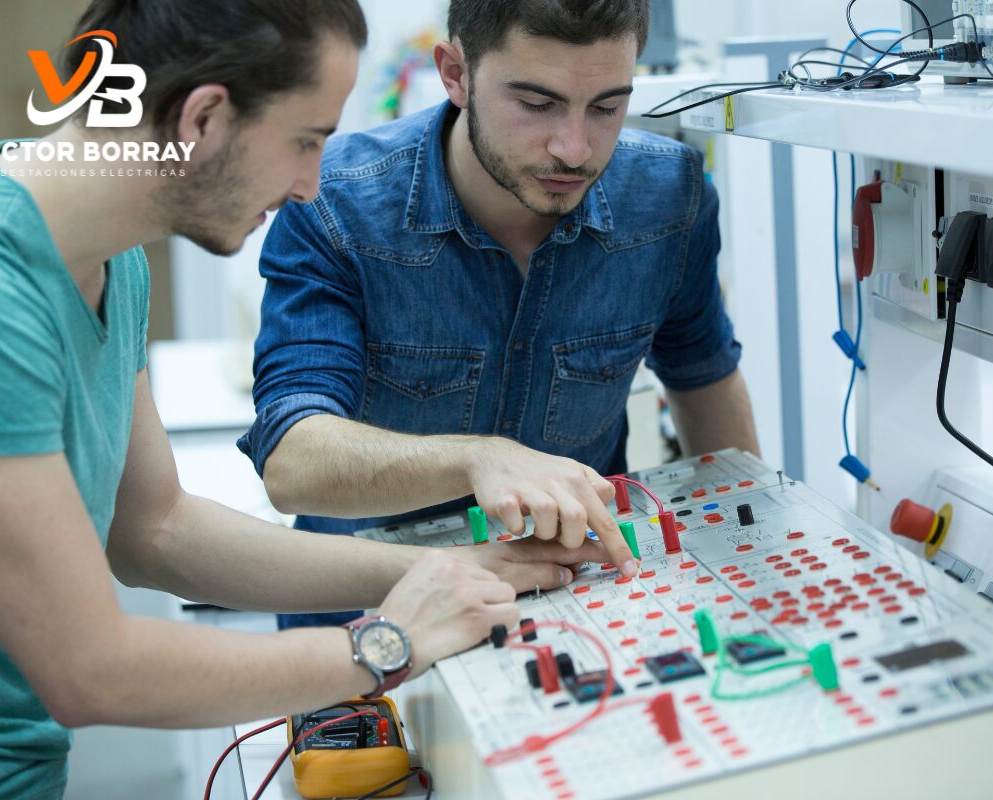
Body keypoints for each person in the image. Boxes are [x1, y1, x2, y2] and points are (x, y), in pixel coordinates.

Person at [0, 2, 608, 798]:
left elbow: (154, 530)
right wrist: (386, 644)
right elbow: (91, 671)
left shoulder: (108, 257)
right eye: (306, 139)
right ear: (206, 117)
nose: (309, 185)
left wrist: (453, 571)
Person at [240, 0, 762, 628]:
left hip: (586, 605)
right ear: (456, 73)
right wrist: (478, 458)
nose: (574, 149)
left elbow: (705, 381)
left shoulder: (669, 199)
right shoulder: (336, 206)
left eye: (606, 107)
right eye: (536, 104)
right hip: (371, 618)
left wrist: (749, 577)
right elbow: (293, 459)